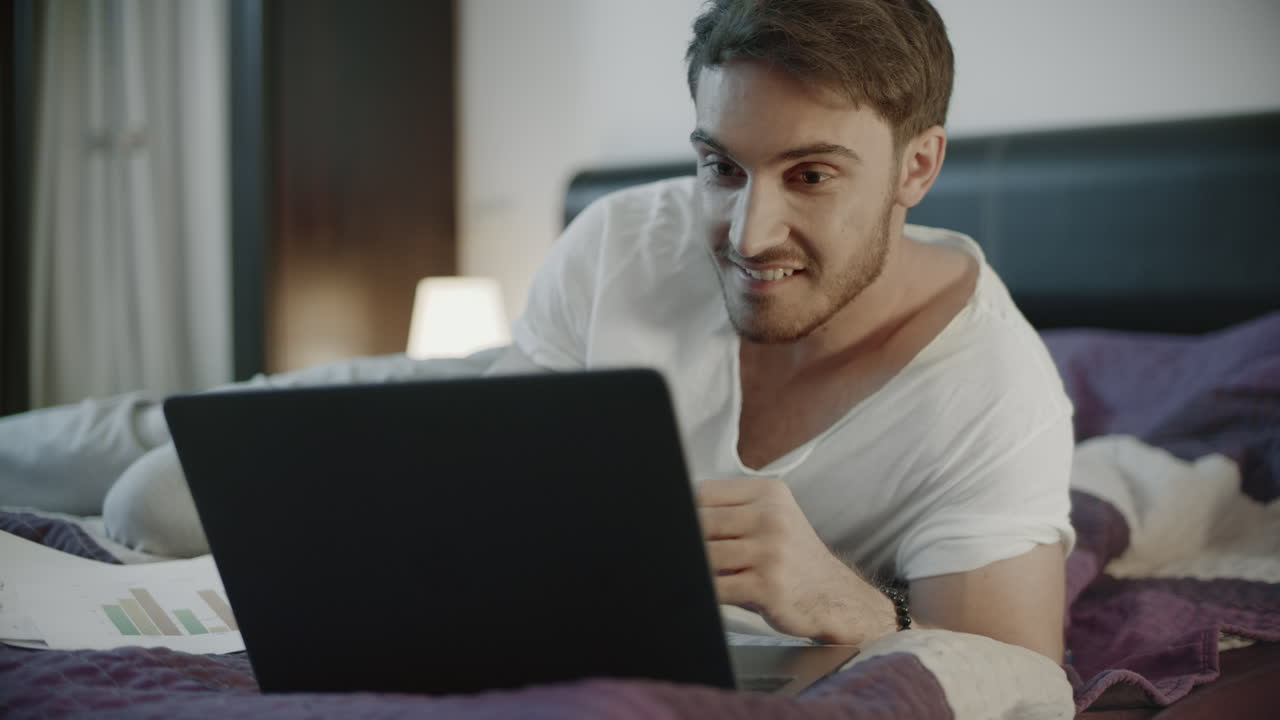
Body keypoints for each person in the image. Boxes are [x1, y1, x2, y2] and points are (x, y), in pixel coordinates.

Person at [485, 0, 1073, 661]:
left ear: (917, 167)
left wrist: (842, 604)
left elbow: (1021, 685)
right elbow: (484, 503)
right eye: (722, 167)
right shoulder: (615, 247)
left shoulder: (994, 397)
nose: (749, 236)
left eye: (811, 175)